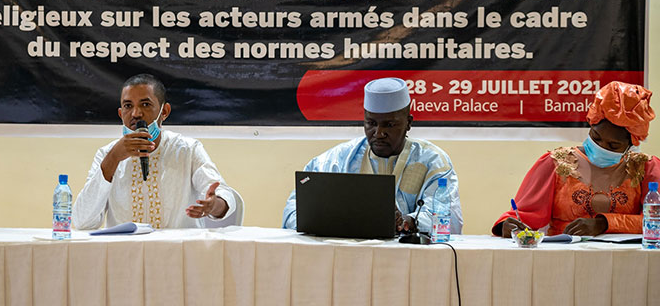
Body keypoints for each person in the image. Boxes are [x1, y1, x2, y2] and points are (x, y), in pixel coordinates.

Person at [282, 77, 463, 234]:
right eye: (371, 123)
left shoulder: (433, 162)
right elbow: (293, 211)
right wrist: (332, 220)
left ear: (408, 123)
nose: (378, 133)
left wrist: (409, 222)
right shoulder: (337, 160)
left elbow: (450, 218)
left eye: (389, 125)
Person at [492, 81, 660, 237]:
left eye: (613, 146)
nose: (601, 147)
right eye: (596, 137)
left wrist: (604, 223)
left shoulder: (646, 168)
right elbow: (522, 217)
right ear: (591, 125)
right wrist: (508, 226)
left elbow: (656, 222)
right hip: (563, 257)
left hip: (628, 261)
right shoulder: (557, 163)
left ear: (632, 143)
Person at [72, 73, 237, 229]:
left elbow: (222, 194)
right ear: (121, 114)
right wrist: (113, 159)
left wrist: (214, 205)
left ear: (164, 112)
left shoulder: (188, 150)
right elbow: (82, 221)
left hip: (177, 253)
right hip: (125, 254)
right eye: (128, 106)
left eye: (145, 104)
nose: (136, 113)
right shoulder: (107, 154)